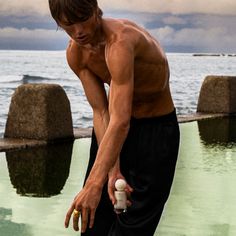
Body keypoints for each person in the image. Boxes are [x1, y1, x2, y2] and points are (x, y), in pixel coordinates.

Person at [48, 0, 180, 235]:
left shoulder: (120, 42)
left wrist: (93, 183)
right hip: (110, 131)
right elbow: (101, 112)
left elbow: (122, 120)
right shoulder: (76, 55)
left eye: (83, 20)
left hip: (154, 132)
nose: (78, 32)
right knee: (94, 221)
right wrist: (111, 170)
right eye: (68, 25)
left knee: (133, 226)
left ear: (95, 10)